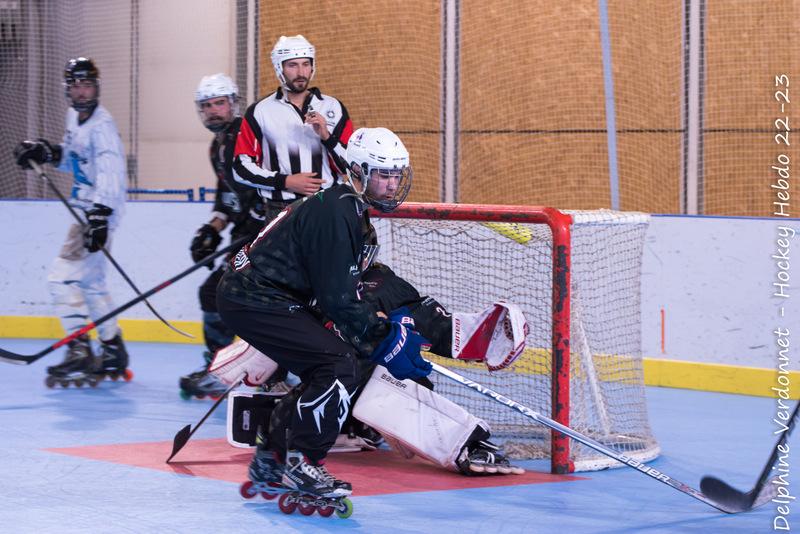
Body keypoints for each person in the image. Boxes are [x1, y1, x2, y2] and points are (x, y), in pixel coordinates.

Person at [217, 127, 427, 502]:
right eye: (384, 175)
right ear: (358, 172)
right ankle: (304, 463)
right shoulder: (337, 211)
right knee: (337, 364)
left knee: (330, 364)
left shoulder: (346, 207)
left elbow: (337, 291)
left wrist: (372, 332)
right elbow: (337, 299)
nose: (392, 185)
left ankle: (272, 458)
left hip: (262, 294)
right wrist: (382, 339)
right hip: (255, 297)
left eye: (397, 175)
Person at [13, 57, 130, 386]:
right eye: (76, 85)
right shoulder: (74, 117)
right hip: (87, 210)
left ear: (97, 87)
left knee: (60, 279)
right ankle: (112, 348)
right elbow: (75, 159)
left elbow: (111, 172)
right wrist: (48, 153)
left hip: (94, 212)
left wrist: (100, 216)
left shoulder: (102, 126)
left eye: (87, 85)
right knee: (91, 283)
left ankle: (79, 349)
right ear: (67, 89)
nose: (81, 92)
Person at [178, 73, 268, 400]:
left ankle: (233, 370)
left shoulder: (247, 137)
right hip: (245, 235)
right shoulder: (217, 146)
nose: (214, 110)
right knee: (214, 293)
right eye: (207, 105)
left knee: (226, 295)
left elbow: (268, 186)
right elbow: (227, 199)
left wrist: (259, 226)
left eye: (219, 103)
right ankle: (221, 366)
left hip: (267, 236)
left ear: (233, 104)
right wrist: (211, 231)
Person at [232, 35, 353, 215]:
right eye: (292, 65)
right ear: (279, 68)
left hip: (327, 205)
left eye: (306, 64)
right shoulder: (260, 111)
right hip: (280, 209)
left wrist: (327, 137)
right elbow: (240, 168)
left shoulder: (333, 107)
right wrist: (285, 181)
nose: (301, 72)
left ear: (312, 66)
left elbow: (351, 167)